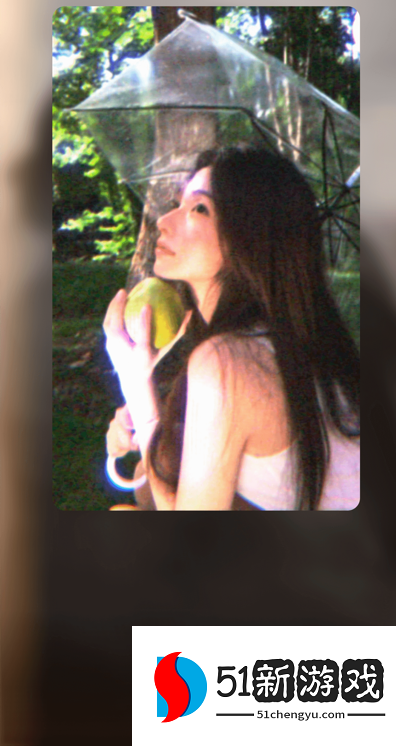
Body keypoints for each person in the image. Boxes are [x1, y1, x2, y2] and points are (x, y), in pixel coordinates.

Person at [103, 145, 360, 511]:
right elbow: (154, 494)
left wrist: (135, 386)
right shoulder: (285, 344)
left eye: (198, 208)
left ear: (250, 238)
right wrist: (157, 431)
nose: (164, 221)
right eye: (178, 203)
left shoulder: (229, 362)